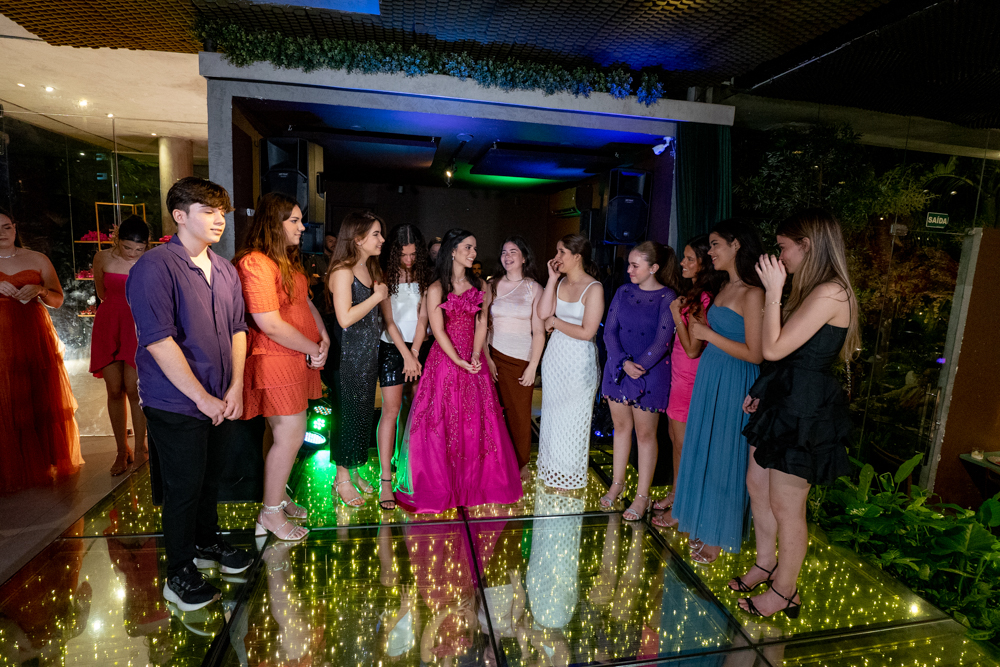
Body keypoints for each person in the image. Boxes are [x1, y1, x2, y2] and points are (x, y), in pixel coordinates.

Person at [126, 177, 253, 611]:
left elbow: (238, 329)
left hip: (221, 394)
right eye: (207, 210)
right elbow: (158, 340)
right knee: (183, 487)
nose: (219, 219)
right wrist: (201, 397)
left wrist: (235, 386)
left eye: (222, 212)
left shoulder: (225, 269)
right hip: (175, 400)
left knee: (210, 478)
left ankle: (206, 543)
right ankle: (178, 572)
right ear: (179, 215)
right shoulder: (155, 266)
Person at [733, 209, 858, 618]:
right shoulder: (813, 289)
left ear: (808, 245)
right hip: (783, 397)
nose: (779, 256)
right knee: (757, 485)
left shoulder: (832, 292)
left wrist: (773, 291)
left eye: (783, 247)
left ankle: (785, 591)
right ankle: (765, 563)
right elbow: (785, 355)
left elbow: (772, 348)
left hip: (805, 407)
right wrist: (761, 390)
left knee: (787, 504)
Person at [394, 228, 523, 513]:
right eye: (468, 247)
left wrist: (475, 355)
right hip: (445, 361)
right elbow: (438, 330)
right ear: (453, 251)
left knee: (476, 424)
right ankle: (444, 487)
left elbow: (481, 323)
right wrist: (458, 360)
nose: (473, 253)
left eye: (474, 248)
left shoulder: (480, 285)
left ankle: (472, 486)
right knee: (442, 424)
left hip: (472, 360)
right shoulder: (436, 288)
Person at [234, 192, 329, 542]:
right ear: (274, 223)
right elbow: (269, 324)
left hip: (295, 356)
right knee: (289, 435)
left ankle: (278, 498)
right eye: (294, 220)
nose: (302, 227)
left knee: (286, 435)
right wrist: (312, 347)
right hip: (275, 357)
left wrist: (322, 336)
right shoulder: (256, 263)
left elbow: (304, 302)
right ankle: (270, 513)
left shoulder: (284, 260)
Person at [670, 219, 764, 564]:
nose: (710, 252)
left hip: (736, 376)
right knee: (705, 450)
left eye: (715, 244)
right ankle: (703, 520)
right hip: (711, 374)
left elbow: (756, 353)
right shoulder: (724, 287)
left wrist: (709, 335)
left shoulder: (753, 293)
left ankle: (720, 532)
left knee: (726, 452)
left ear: (736, 244)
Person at [0, 209, 83, 494]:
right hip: (2, 339)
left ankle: (42, 461)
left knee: (37, 394)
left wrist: (40, 290)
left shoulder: (37, 259)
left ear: (15, 227)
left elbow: (58, 300)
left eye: (6, 227)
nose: (2, 233)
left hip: (33, 336)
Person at [599, 241, 679, 520]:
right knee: (621, 429)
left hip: (650, 374)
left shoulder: (667, 296)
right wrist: (623, 362)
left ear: (653, 267)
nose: (629, 270)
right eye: (629, 265)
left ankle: (642, 496)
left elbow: (663, 339)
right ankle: (617, 484)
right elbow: (609, 332)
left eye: (635, 265)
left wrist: (639, 366)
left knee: (645, 436)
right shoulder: (623, 291)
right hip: (618, 369)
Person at [651, 235, 726, 528]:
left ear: (704, 264)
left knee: (683, 445)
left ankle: (683, 507)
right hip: (679, 374)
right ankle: (676, 493)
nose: (682, 262)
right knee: (675, 438)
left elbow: (693, 349)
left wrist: (675, 314)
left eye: (689, 258)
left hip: (690, 376)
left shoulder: (704, 297)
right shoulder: (695, 293)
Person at [535, 234, 604, 491]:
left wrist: (556, 322)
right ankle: (553, 472)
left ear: (577, 256)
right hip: (555, 358)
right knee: (552, 416)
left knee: (574, 418)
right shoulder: (560, 281)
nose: (556, 257)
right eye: (557, 251)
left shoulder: (594, 288)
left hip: (578, 360)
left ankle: (569, 476)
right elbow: (542, 313)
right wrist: (552, 279)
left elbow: (587, 332)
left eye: (561, 252)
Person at [327, 211, 386, 507]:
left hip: (366, 358)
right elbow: (345, 318)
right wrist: (377, 297)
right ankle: (341, 479)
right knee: (347, 418)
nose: (382, 239)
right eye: (376, 234)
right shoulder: (343, 271)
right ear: (358, 238)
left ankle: (353, 469)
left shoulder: (368, 268)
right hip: (346, 359)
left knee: (361, 417)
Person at [376, 223, 431, 511]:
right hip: (392, 348)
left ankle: (410, 465)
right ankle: (386, 479)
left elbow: (424, 318)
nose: (408, 260)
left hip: (421, 346)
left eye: (413, 254)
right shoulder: (384, 275)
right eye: (403, 255)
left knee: (418, 410)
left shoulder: (426, 275)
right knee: (392, 410)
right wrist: (406, 356)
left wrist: (415, 352)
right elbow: (389, 321)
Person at [91, 215, 150, 476]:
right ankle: (121, 450)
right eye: (127, 247)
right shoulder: (102, 258)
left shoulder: (150, 261)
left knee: (135, 389)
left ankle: (140, 449)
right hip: (109, 323)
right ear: (117, 240)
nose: (133, 253)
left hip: (137, 325)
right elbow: (101, 292)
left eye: (139, 249)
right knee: (114, 389)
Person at [484, 236, 545, 481]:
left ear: (524, 257)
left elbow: (538, 331)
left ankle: (521, 464)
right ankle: (495, 461)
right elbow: (483, 325)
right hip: (493, 355)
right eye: (504, 252)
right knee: (492, 412)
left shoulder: (534, 288)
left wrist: (533, 367)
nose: (507, 256)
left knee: (519, 414)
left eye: (513, 252)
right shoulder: (491, 285)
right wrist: (487, 358)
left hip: (521, 358)